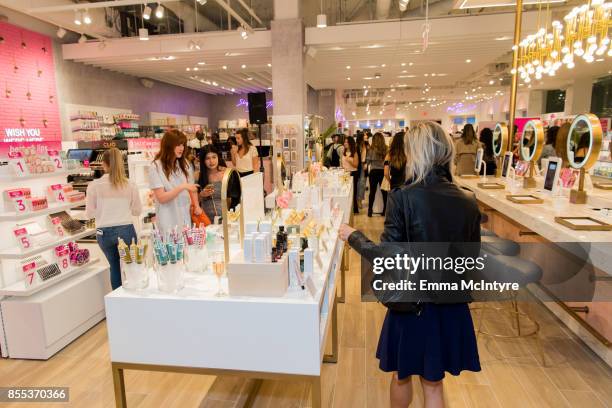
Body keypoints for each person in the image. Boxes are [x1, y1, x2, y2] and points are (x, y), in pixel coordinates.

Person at [338, 121, 481, 408]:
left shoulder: (403, 197)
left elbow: (388, 257)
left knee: (402, 375)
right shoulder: (468, 200)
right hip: (451, 306)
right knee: (434, 384)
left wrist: (353, 237)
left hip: (414, 305)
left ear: (417, 152)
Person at [86, 148, 142, 290]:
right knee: (131, 266)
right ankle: (135, 297)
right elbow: (137, 211)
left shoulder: (94, 186)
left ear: (103, 164)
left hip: (103, 233)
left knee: (114, 266)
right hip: (126, 230)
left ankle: (118, 302)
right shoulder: (130, 185)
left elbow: (89, 214)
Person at [148, 129, 202, 235]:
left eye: (183, 145)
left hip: (186, 214)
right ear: (168, 145)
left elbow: (192, 188)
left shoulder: (185, 164)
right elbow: (162, 198)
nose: (181, 148)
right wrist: (182, 187)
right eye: (178, 145)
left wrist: (196, 205)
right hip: (168, 217)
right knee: (173, 248)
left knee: (189, 248)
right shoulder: (156, 167)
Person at [198, 145, 241, 221]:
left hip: (226, 219)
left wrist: (231, 217)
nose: (211, 161)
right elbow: (193, 201)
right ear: (203, 160)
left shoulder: (228, 174)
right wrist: (201, 195)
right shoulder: (199, 177)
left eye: (214, 157)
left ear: (218, 157)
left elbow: (236, 199)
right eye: (208, 158)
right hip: (206, 220)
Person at [367, 132, 388, 217]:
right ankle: (384, 211)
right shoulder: (386, 149)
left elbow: (368, 162)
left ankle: (370, 210)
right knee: (384, 192)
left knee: (372, 192)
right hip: (383, 172)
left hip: (373, 172)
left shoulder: (371, 149)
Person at [342, 136, 360, 214]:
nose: (345, 143)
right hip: (345, 174)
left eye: (347, 142)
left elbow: (356, 165)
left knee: (353, 192)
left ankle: (354, 209)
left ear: (350, 143)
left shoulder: (354, 153)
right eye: (345, 142)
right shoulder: (343, 152)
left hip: (353, 174)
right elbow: (342, 164)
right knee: (345, 191)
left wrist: (349, 160)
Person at [356, 132, 369, 208]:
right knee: (360, 183)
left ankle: (360, 200)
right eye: (364, 135)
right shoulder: (357, 146)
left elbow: (369, 155)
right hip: (359, 166)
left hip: (365, 165)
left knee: (363, 184)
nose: (366, 136)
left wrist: (366, 163)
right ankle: (358, 200)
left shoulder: (367, 145)